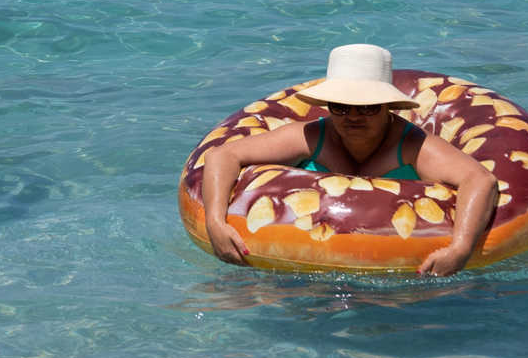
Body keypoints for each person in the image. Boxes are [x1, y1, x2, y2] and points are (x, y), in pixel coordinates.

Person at [199, 44, 499, 278]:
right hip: (304, 269)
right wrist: (214, 222)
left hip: (397, 272)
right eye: (341, 107)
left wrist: (460, 248)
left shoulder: (411, 145)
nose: (353, 116)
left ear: (389, 107)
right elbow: (223, 155)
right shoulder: (311, 136)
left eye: (367, 108)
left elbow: (479, 179)